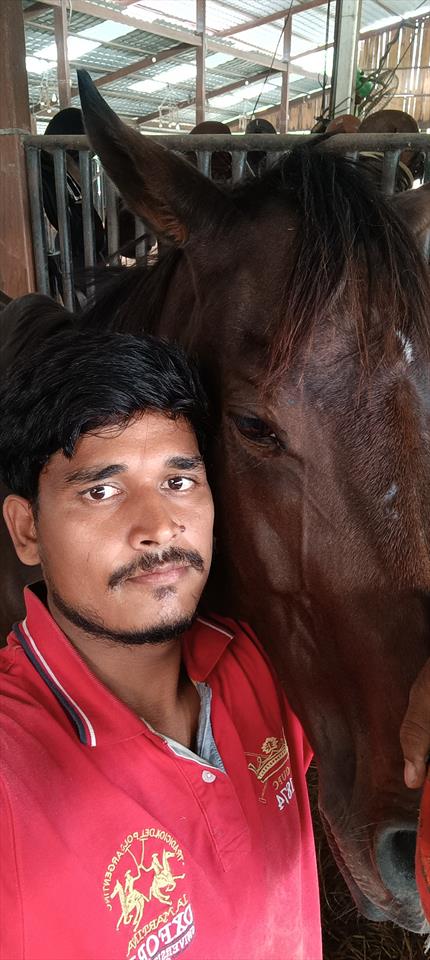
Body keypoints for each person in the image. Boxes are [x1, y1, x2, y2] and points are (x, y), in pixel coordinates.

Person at [0, 331, 320, 960]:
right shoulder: (15, 773)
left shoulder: (257, 663)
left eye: (178, 481)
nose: (159, 528)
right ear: (27, 529)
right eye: (101, 490)